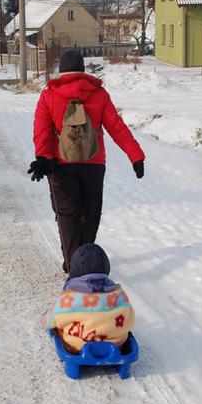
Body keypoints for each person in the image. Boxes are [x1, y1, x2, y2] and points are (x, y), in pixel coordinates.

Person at [29, 50, 145, 273]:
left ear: (61, 70)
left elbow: (41, 130)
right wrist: (135, 156)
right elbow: (117, 128)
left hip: (60, 165)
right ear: (82, 69)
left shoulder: (49, 95)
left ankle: (74, 266)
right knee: (89, 214)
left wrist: (43, 157)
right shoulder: (99, 94)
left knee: (67, 215)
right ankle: (85, 259)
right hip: (94, 165)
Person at [41, 243, 135, 354]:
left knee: (57, 324)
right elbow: (131, 319)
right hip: (117, 345)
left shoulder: (67, 299)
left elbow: (47, 321)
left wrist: (46, 317)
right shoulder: (119, 295)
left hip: (76, 346)